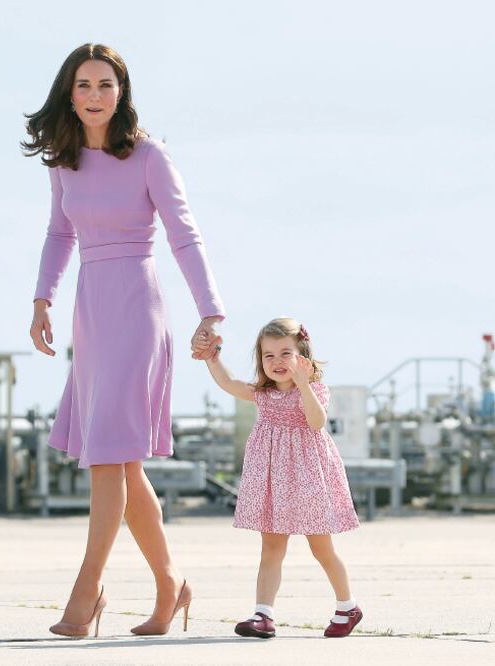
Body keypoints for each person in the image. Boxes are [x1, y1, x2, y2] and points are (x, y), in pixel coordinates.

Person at [24, 43, 225, 638]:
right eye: (84, 85)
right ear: (69, 91)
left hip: (139, 306)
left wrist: (211, 313)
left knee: (108, 455)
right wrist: (42, 300)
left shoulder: (148, 155)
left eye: (105, 85)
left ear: (122, 91)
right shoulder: (64, 162)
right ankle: (171, 585)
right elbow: (59, 234)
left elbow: (186, 235)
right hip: (91, 309)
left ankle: (87, 591)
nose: (94, 95)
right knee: (121, 462)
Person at [200, 317, 362, 638]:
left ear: (302, 355)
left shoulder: (315, 389)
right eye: (268, 355)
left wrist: (303, 384)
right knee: (271, 546)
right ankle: (263, 615)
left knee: (321, 549)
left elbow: (317, 423)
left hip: (308, 478)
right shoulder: (263, 393)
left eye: (285, 353)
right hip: (273, 479)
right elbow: (230, 383)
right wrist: (212, 359)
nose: (276, 362)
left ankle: (348, 606)